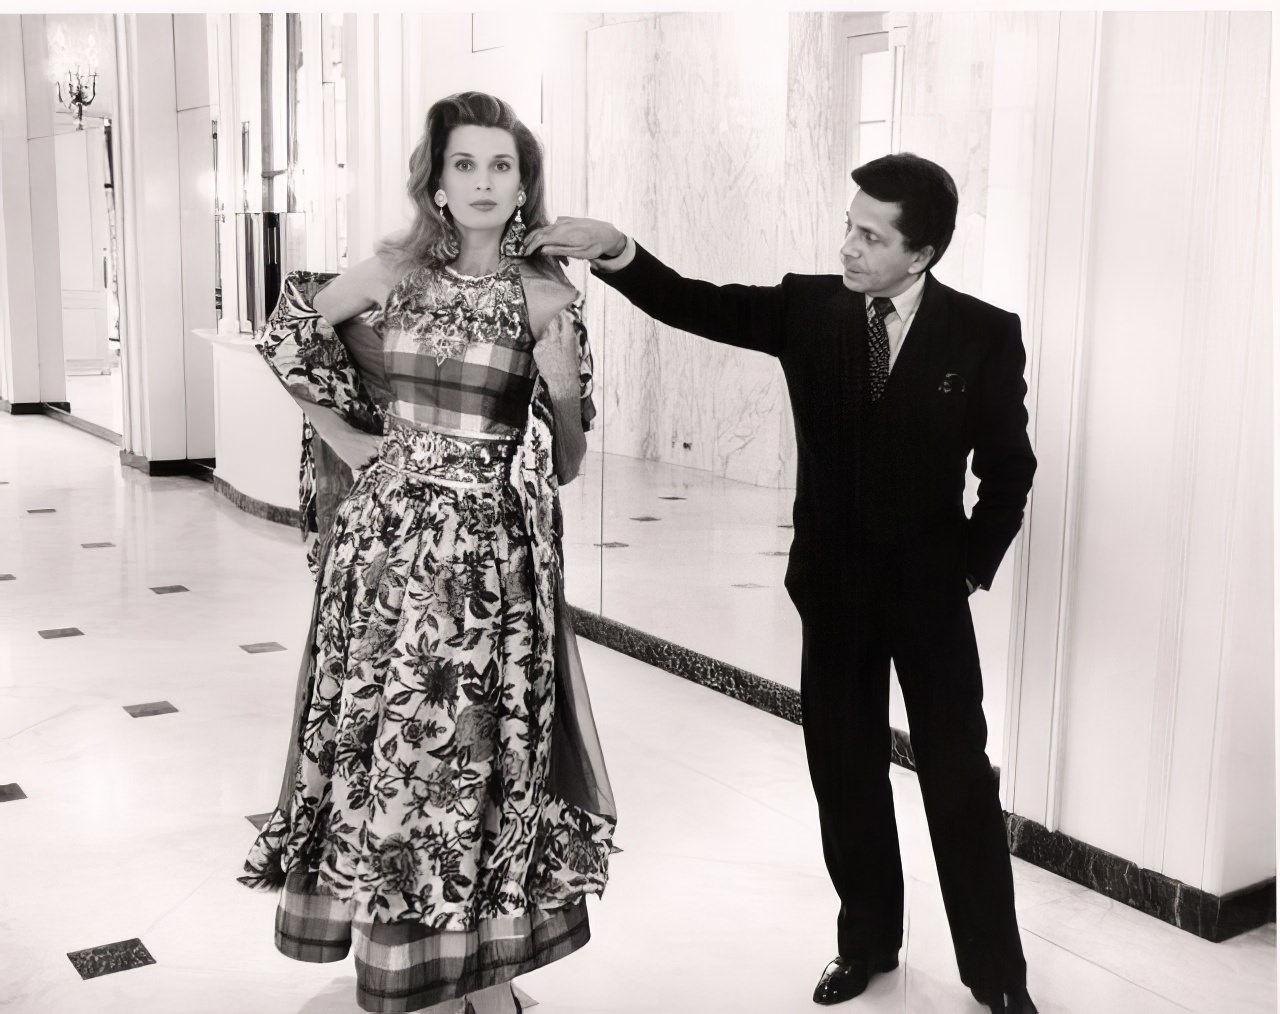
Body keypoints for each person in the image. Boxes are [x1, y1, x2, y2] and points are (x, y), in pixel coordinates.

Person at [523, 152, 1039, 1013]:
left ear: (922, 254)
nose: (848, 245)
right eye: (848, 223)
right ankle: (868, 943)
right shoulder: (811, 308)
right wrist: (617, 252)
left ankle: (998, 975)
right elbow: (696, 303)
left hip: (928, 599)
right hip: (832, 590)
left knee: (958, 781)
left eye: (870, 236)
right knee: (845, 773)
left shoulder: (984, 334)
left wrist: (966, 569)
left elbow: (1010, 471)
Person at [239, 91, 617, 1014]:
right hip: (386, 556)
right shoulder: (392, 274)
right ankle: (405, 965)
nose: (484, 182)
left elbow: (564, 463)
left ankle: (479, 968)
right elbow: (285, 333)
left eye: (502, 166)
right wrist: (342, 433)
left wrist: (563, 392)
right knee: (392, 745)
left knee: (481, 757)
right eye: (465, 165)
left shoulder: (548, 296)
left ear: (524, 184)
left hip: (494, 565)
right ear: (436, 183)